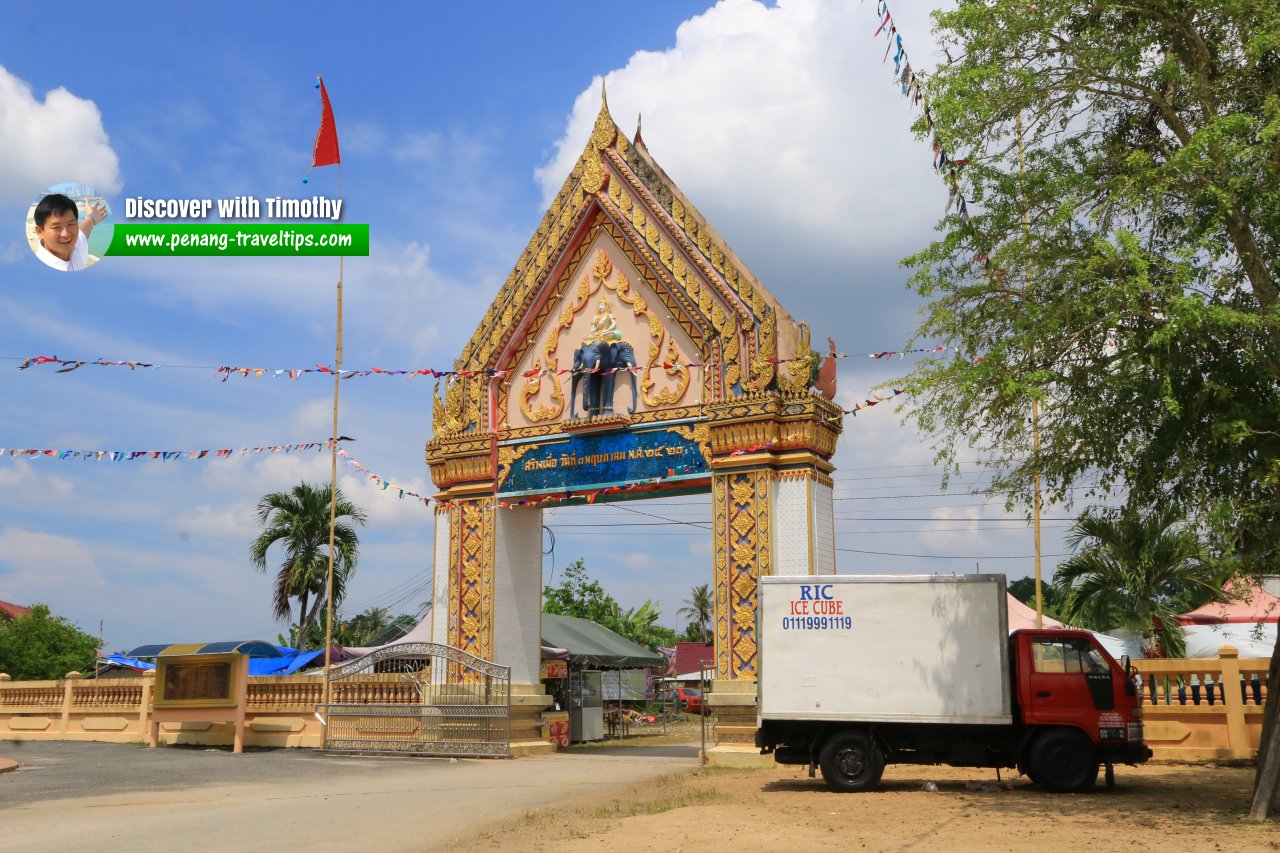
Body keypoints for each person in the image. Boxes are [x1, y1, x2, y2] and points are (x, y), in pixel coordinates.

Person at [32, 193, 107, 271]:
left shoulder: (75, 246)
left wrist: (91, 218)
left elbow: (83, 230)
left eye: (70, 224)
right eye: (56, 227)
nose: (66, 234)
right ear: (40, 232)